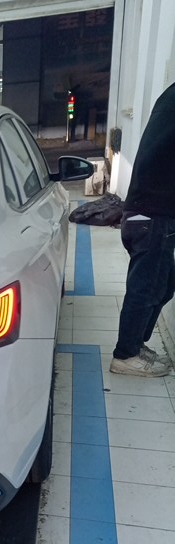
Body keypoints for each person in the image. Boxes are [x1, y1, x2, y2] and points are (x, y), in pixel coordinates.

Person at [110, 82, 175, 377]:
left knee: (163, 285)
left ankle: (135, 344)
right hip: (152, 216)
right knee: (146, 289)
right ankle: (126, 355)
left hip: (147, 213)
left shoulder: (169, 98)